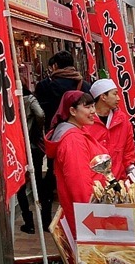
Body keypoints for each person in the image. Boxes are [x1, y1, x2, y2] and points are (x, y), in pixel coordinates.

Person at [34, 50, 91, 228]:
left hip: (54, 134)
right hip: (79, 133)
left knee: (52, 174)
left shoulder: (45, 85)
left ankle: (46, 218)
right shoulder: (84, 85)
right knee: (79, 175)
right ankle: (81, 216)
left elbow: (40, 113)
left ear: (55, 66)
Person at [44, 90, 108, 238]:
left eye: (93, 106)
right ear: (72, 110)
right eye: (87, 107)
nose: (93, 111)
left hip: (90, 211)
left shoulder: (78, 131)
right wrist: (92, 219)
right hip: (88, 217)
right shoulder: (73, 140)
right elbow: (79, 184)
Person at [86, 79, 135, 181]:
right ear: (103, 97)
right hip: (93, 183)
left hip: (118, 178)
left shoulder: (122, 120)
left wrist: (131, 169)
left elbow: (128, 151)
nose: (118, 98)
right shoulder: (86, 121)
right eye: (115, 94)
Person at [16, 82, 45, 234]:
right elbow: (40, 114)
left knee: (20, 183)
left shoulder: (6, 99)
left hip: (15, 145)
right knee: (37, 179)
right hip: (32, 144)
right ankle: (43, 218)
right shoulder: (29, 99)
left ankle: (29, 221)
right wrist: (36, 131)